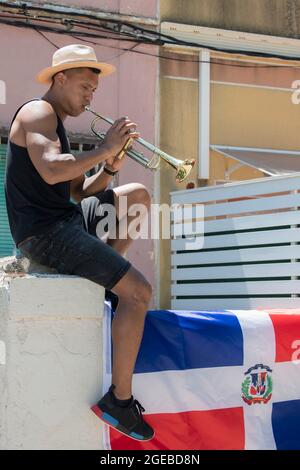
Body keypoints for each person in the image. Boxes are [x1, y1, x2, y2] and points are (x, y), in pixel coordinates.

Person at [4, 44, 154, 441]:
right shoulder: (38, 113)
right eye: (85, 87)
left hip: (66, 220)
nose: (90, 96)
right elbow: (53, 171)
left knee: (137, 194)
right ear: (60, 79)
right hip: (46, 234)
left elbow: (78, 191)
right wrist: (103, 146)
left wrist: (111, 166)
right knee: (139, 293)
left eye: (94, 90)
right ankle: (119, 403)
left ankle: (107, 281)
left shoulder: (57, 125)